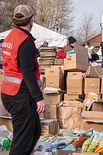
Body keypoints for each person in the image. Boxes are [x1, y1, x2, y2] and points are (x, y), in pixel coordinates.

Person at [1, 5, 46, 155]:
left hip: (11, 92)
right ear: (31, 20)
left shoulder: (11, 36)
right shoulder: (25, 42)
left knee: (34, 132)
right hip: (20, 96)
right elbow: (28, 73)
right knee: (22, 141)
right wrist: (39, 98)